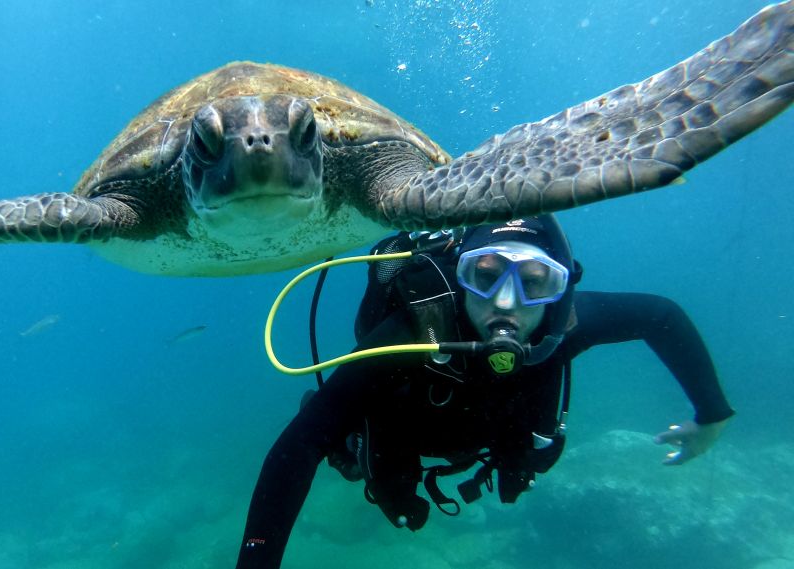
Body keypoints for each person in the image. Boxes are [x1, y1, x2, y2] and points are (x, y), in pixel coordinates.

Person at [235, 215, 734, 569]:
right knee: (353, 456)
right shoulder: (413, 331)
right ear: (460, 277)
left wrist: (712, 413)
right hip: (408, 427)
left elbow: (662, 316)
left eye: (535, 283)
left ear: (560, 292)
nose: (507, 303)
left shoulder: (567, 323)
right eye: (487, 275)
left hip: (498, 429)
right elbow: (299, 444)